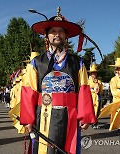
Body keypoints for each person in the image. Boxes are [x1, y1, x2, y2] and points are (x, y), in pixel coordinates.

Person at [20, 7, 96, 154]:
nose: (57, 34)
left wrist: (85, 115)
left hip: (70, 115)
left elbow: (84, 89)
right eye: (53, 31)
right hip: (44, 114)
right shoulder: (36, 63)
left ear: (66, 36)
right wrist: (28, 118)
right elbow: (29, 91)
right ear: (46, 36)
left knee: (68, 149)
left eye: (61, 31)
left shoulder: (77, 62)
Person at [98, 58, 120, 141]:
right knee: (119, 117)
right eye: (118, 68)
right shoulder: (113, 80)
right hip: (118, 102)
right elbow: (114, 92)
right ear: (116, 69)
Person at [88, 64, 103, 129]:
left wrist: (99, 91)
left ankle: (96, 122)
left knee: (98, 110)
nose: (94, 74)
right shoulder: (88, 81)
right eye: (92, 73)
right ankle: (92, 122)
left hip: (98, 96)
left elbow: (101, 90)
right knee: (92, 110)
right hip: (91, 96)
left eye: (95, 72)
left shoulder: (99, 81)